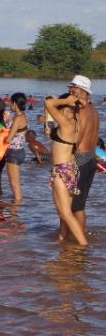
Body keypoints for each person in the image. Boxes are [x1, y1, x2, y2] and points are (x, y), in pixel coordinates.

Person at [45, 94, 87, 245]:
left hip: (62, 170)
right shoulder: (75, 123)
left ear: (64, 110)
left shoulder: (66, 124)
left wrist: (66, 101)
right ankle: (62, 240)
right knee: (64, 212)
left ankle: (83, 246)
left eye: (60, 108)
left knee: (65, 213)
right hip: (69, 169)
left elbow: (48, 103)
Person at [67, 75, 100, 235]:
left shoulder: (81, 111)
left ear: (83, 91)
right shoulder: (94, 110)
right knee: (78, 205)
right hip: (91, 159)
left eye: (73, 88)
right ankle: (79, 237)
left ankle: (79, 241)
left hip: (80, 158)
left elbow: (78, 138)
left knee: (74, 206)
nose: (70, 91)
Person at [4, 92, 27, 202]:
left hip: (14, 152)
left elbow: (9, 138)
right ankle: (17, 208)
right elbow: (16, 131)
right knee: (16, 183)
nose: (9, 105)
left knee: (14, 184)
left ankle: (15, 210)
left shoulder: (18, 118)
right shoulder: (22, 116)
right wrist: (8, 120)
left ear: (14, 103)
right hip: (20, 150)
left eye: (10, 103)